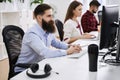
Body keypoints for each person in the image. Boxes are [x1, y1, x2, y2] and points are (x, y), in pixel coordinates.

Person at [15, 4, 81, 72]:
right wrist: (67, 52)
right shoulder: (32, 34)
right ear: (39, 18)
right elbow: (45, 52)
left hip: (38, 66)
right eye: (49, 16)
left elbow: (57, 44)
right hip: (24, 70)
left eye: (52, 16)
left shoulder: (47, 30)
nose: (52, 19)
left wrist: (69, 46)